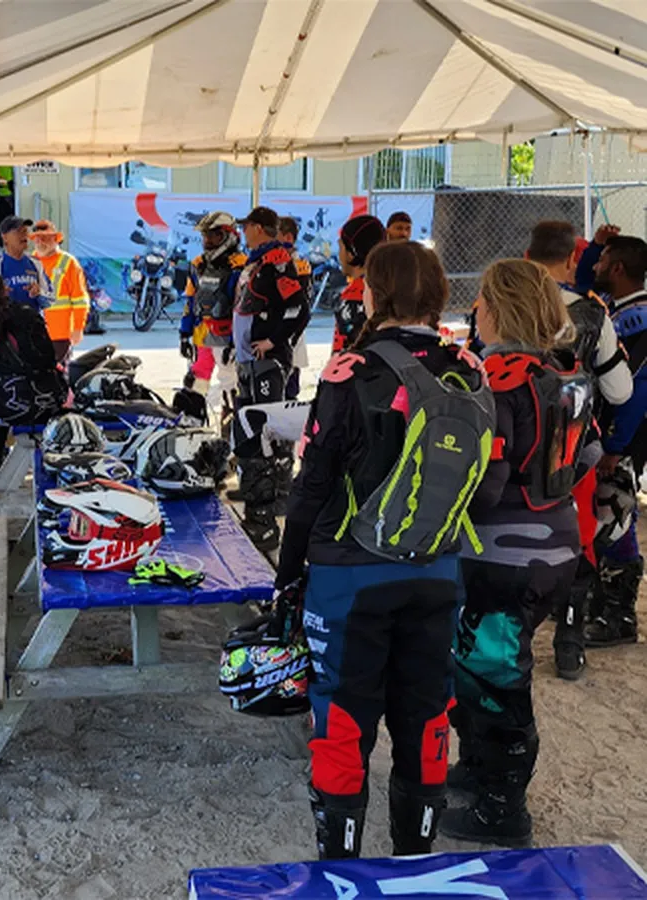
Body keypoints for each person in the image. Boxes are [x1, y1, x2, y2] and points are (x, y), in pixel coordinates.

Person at [276, 240, 487, 858]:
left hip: (351, 577)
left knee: (343, 719)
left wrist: (289, 578)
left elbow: (311, 485)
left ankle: (341, 868)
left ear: (376, 291)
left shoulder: (352, 369)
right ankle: (413, 865)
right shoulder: (470, 367)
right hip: (440, 567)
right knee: (426, 717)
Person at [442, 259, 581, 848]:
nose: (474, 312)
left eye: (480, 302)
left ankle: (503, 809)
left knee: (496, 680)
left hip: (503, 557)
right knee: (478, 670)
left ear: (497, 308)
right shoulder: (565, 375)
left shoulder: (494, 378)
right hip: (559, 547)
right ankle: (478, 770)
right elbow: (592, 454)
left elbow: (488, 482)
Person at [526, 220, 633, 679]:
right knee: (579, 541)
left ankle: (502, 640)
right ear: (572, 259)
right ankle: (570, 641)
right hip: (572, 447)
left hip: (510, 444)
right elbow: (621, 390)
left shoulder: (499, 304)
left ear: (527, 255)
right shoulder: (593, 314)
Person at [232, 206, 309, 550]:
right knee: (249, 426)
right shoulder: (255, 261)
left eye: (246, 227)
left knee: (267, 428)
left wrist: (274, 341)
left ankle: (270, 508)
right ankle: (254, 497)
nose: (242, 232)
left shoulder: (277, 260)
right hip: (249, 360)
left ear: (259, 228)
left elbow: (299, 309)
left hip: (269, 361)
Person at [584, 235, 647, 647]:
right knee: (601, 514)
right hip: (614, 436)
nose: (596, 266)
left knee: (614, 513)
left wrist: (614, 445)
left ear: (619, 268)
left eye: (602, 259)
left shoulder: (638, 320)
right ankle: (598, 598)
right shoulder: (621, 311)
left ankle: (619, 614)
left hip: (624, 437)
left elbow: (636, 388)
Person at [0, 267, 67, 464]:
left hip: (7, 409)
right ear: (5, 289)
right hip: (45, 402)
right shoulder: (29, 314)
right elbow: (48, 358)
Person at [179, 211, 246, 439]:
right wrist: (184, 333)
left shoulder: (241, 267)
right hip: (201, 334)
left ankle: (229, 438)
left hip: (227, 335)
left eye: (213, 237)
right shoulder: (197, 265)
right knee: (195, 383)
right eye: (206, 237)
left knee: (230, 387)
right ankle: (192, 433)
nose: (208, 242)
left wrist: (237, 342)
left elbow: (242, 307)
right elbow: (190, 301)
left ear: (228, 236)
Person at [30, 219, 90, 363]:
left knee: (59, 377)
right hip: (34, 333)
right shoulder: (29, 261)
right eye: (37, 238)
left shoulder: (68, 263)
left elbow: (80, 299)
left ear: (56, 239)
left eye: (45, 238)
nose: (40, 242)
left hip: (60, 334)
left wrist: (77, 328)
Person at [332, 215, 386, 353]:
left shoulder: (354, 296)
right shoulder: (392, 285)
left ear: (351, 253)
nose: (339, 254)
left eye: (341, 247)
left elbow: (344, 351)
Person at [0, 216, 55, 313]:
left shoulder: (35, 263)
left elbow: (51, 300)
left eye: (25, 231)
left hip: (32, 325)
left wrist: (39, 293)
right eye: (19, 232)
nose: (24, 235)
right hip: (5, 326)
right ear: (5, 238)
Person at [278, 216, 311, 399]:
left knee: (289, 391)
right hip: (271, 335)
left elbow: (302, 306)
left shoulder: (300, 266)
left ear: (288, 237)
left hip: (292, 334)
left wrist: (291, 335)